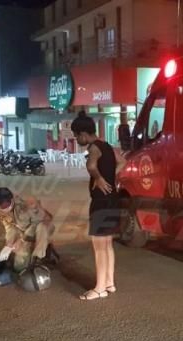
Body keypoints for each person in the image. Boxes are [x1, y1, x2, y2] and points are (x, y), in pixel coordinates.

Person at [71, 111, 123, 301]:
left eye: (77, 136)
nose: (77, 139)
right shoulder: (107, 145)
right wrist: (111, 177)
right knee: (107, 244)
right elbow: (122, 161)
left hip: (101, 201)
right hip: (112, 199)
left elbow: (91, 166)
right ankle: (109, 283)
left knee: (99, 245)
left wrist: (99, 178)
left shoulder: (94, 147)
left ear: (84, 133)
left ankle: (100, 288)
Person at [0, 187, 58, 272]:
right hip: (25, 233)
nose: (4, 209)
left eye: (6, 206)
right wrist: (9, 244)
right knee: (19, 267)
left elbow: (38, 222)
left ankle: (38, 258)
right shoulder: (1, 209)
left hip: (43, 227)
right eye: (1, 206)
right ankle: (36, 251)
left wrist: (21, 240)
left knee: (41, 228)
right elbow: (9, 228)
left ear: (11, 200)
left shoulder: (27, 203)